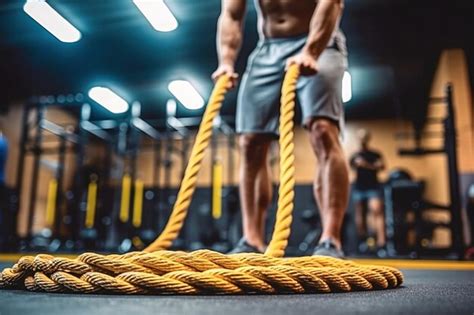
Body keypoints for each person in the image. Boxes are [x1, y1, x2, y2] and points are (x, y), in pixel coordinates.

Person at [212, 0, 349, 257]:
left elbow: (332, 3)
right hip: (269, 48)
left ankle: (331, 239)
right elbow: (230, 14)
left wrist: (311, 50)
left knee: (322, 130)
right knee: (250, 142)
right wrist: (227, 62)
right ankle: (251, 240)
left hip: (321, 38)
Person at [349, 129, 386, 255]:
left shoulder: (375, 154)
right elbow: (353, 166)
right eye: (360, 137)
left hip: (373, 186)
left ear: (367, 138)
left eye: (364, 137)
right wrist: (370, 166)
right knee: (360, 215)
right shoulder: (355, 155)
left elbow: (381, 166)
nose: (362, 139)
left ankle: (382, 244)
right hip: (359, 187)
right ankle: (363, 242)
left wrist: (366, 165)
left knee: (376, 211)